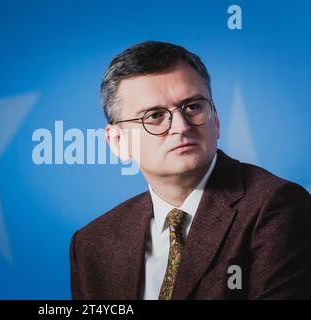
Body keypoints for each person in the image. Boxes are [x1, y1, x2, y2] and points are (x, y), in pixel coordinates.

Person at [69, 41, 311, 300]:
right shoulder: (92, 243)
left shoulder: (278, 208)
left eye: (193, 106)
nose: (181, 126)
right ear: (118, 141)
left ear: (215, 120)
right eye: (154, 116)